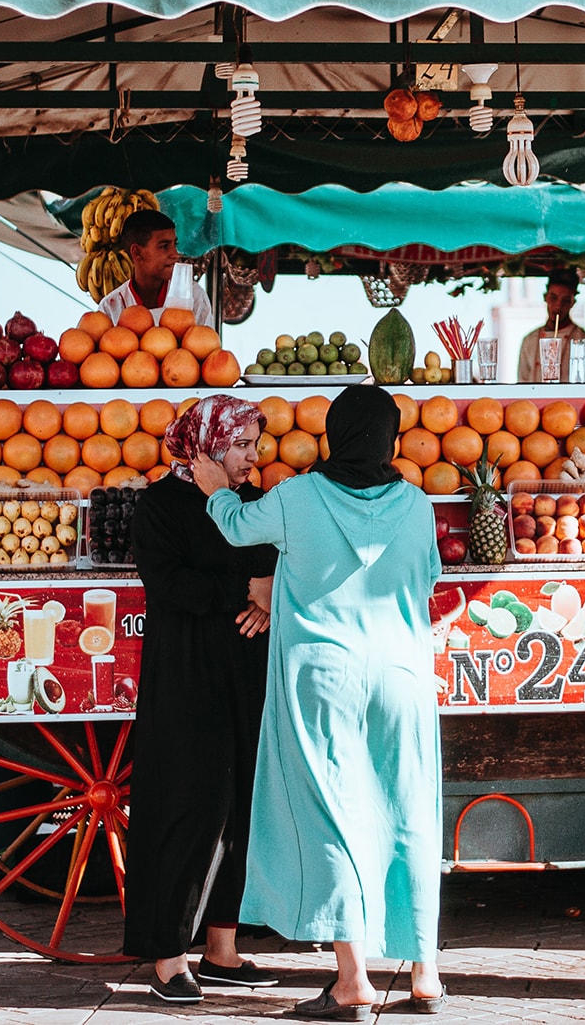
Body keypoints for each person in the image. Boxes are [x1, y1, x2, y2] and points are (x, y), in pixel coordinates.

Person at [192, 385, 444, 1020]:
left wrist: (213, 487)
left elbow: (234, 526)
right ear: (390, 439)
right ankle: (425, 974)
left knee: (333, 814)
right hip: (402, 677)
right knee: (410, 809)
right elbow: (429, 577)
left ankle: (353, 979)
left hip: (323, 677)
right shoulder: (415, 504)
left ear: (332, 435)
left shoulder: (297, 496)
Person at [121, 395, 281, 1004]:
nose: (252, 456)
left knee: (244, 806)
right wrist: (246, 589)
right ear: (207, 444)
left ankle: (221, 948)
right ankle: (166, 955)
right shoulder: (159, 505)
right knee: (188, 807)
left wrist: (268, 602)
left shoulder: (249, 505)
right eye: (241, 445)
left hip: (247, 671)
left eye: (253, 445)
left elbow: (275, 567)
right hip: (187, 676)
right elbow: (169, 584)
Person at [99, 209, 216, 326]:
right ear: (137, 252)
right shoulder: (111, 308)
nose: (175, 254)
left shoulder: (193, 296)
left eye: (174, 244)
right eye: (164, 246)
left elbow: (208, 341)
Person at [515, 268, 585, 383]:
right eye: (553, 297)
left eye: (565, 300)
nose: (558, 306)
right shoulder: (529, 340)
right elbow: (522, 382)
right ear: (545, 297)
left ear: (573, 303)